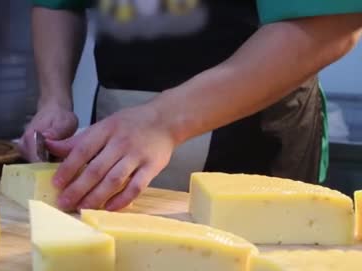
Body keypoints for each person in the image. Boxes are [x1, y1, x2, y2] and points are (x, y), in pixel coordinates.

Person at [18, 0, 362, 211]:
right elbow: (57, 3)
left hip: (254, 140)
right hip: (117, 131)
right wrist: (54, 98)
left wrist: (161, 122)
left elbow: (330, 24)